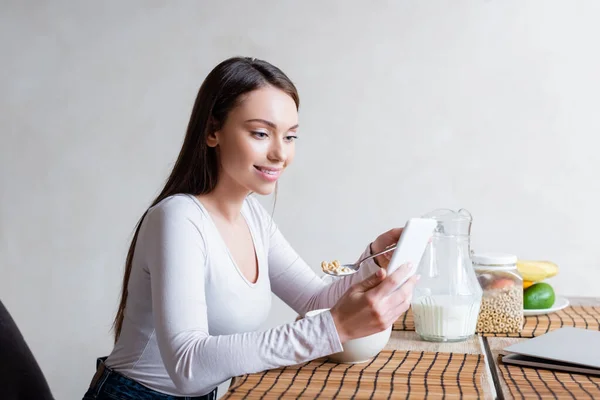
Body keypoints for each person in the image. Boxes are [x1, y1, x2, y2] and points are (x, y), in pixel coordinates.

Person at [83, 56, 418, 400]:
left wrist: (374, 262)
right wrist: (332, 328)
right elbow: (187, 367)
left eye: (290, 137)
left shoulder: (253, 217)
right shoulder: (178, 218)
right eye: (261, 133)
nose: (279, 153)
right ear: (213, 131)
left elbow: (314, 299)